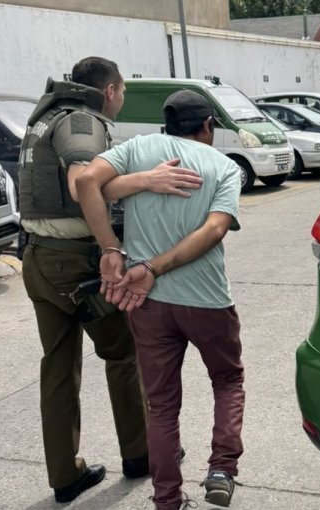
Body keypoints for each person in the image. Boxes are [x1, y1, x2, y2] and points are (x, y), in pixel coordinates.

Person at [17, 57, 204, 503]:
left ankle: (64, 476)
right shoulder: (82, 121)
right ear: (111, 90)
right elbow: (84, 183)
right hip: (78, 264)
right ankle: (141, 455)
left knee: (58, 369)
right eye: (122, 92)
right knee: (124, 354)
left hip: (38, 259)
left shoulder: (43, 118)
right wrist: (116, 237)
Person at [75, 90, 245, 510]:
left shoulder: (138, 149)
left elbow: (84, 183)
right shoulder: (223, 166)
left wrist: (110, 248)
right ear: (207, 125)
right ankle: (222, 468)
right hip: (206, 300)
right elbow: (214, 231)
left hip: (146, 303)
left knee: (162, 405)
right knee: (227, 380)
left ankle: (167, 500)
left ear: (166, 125)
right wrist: (156, 267)